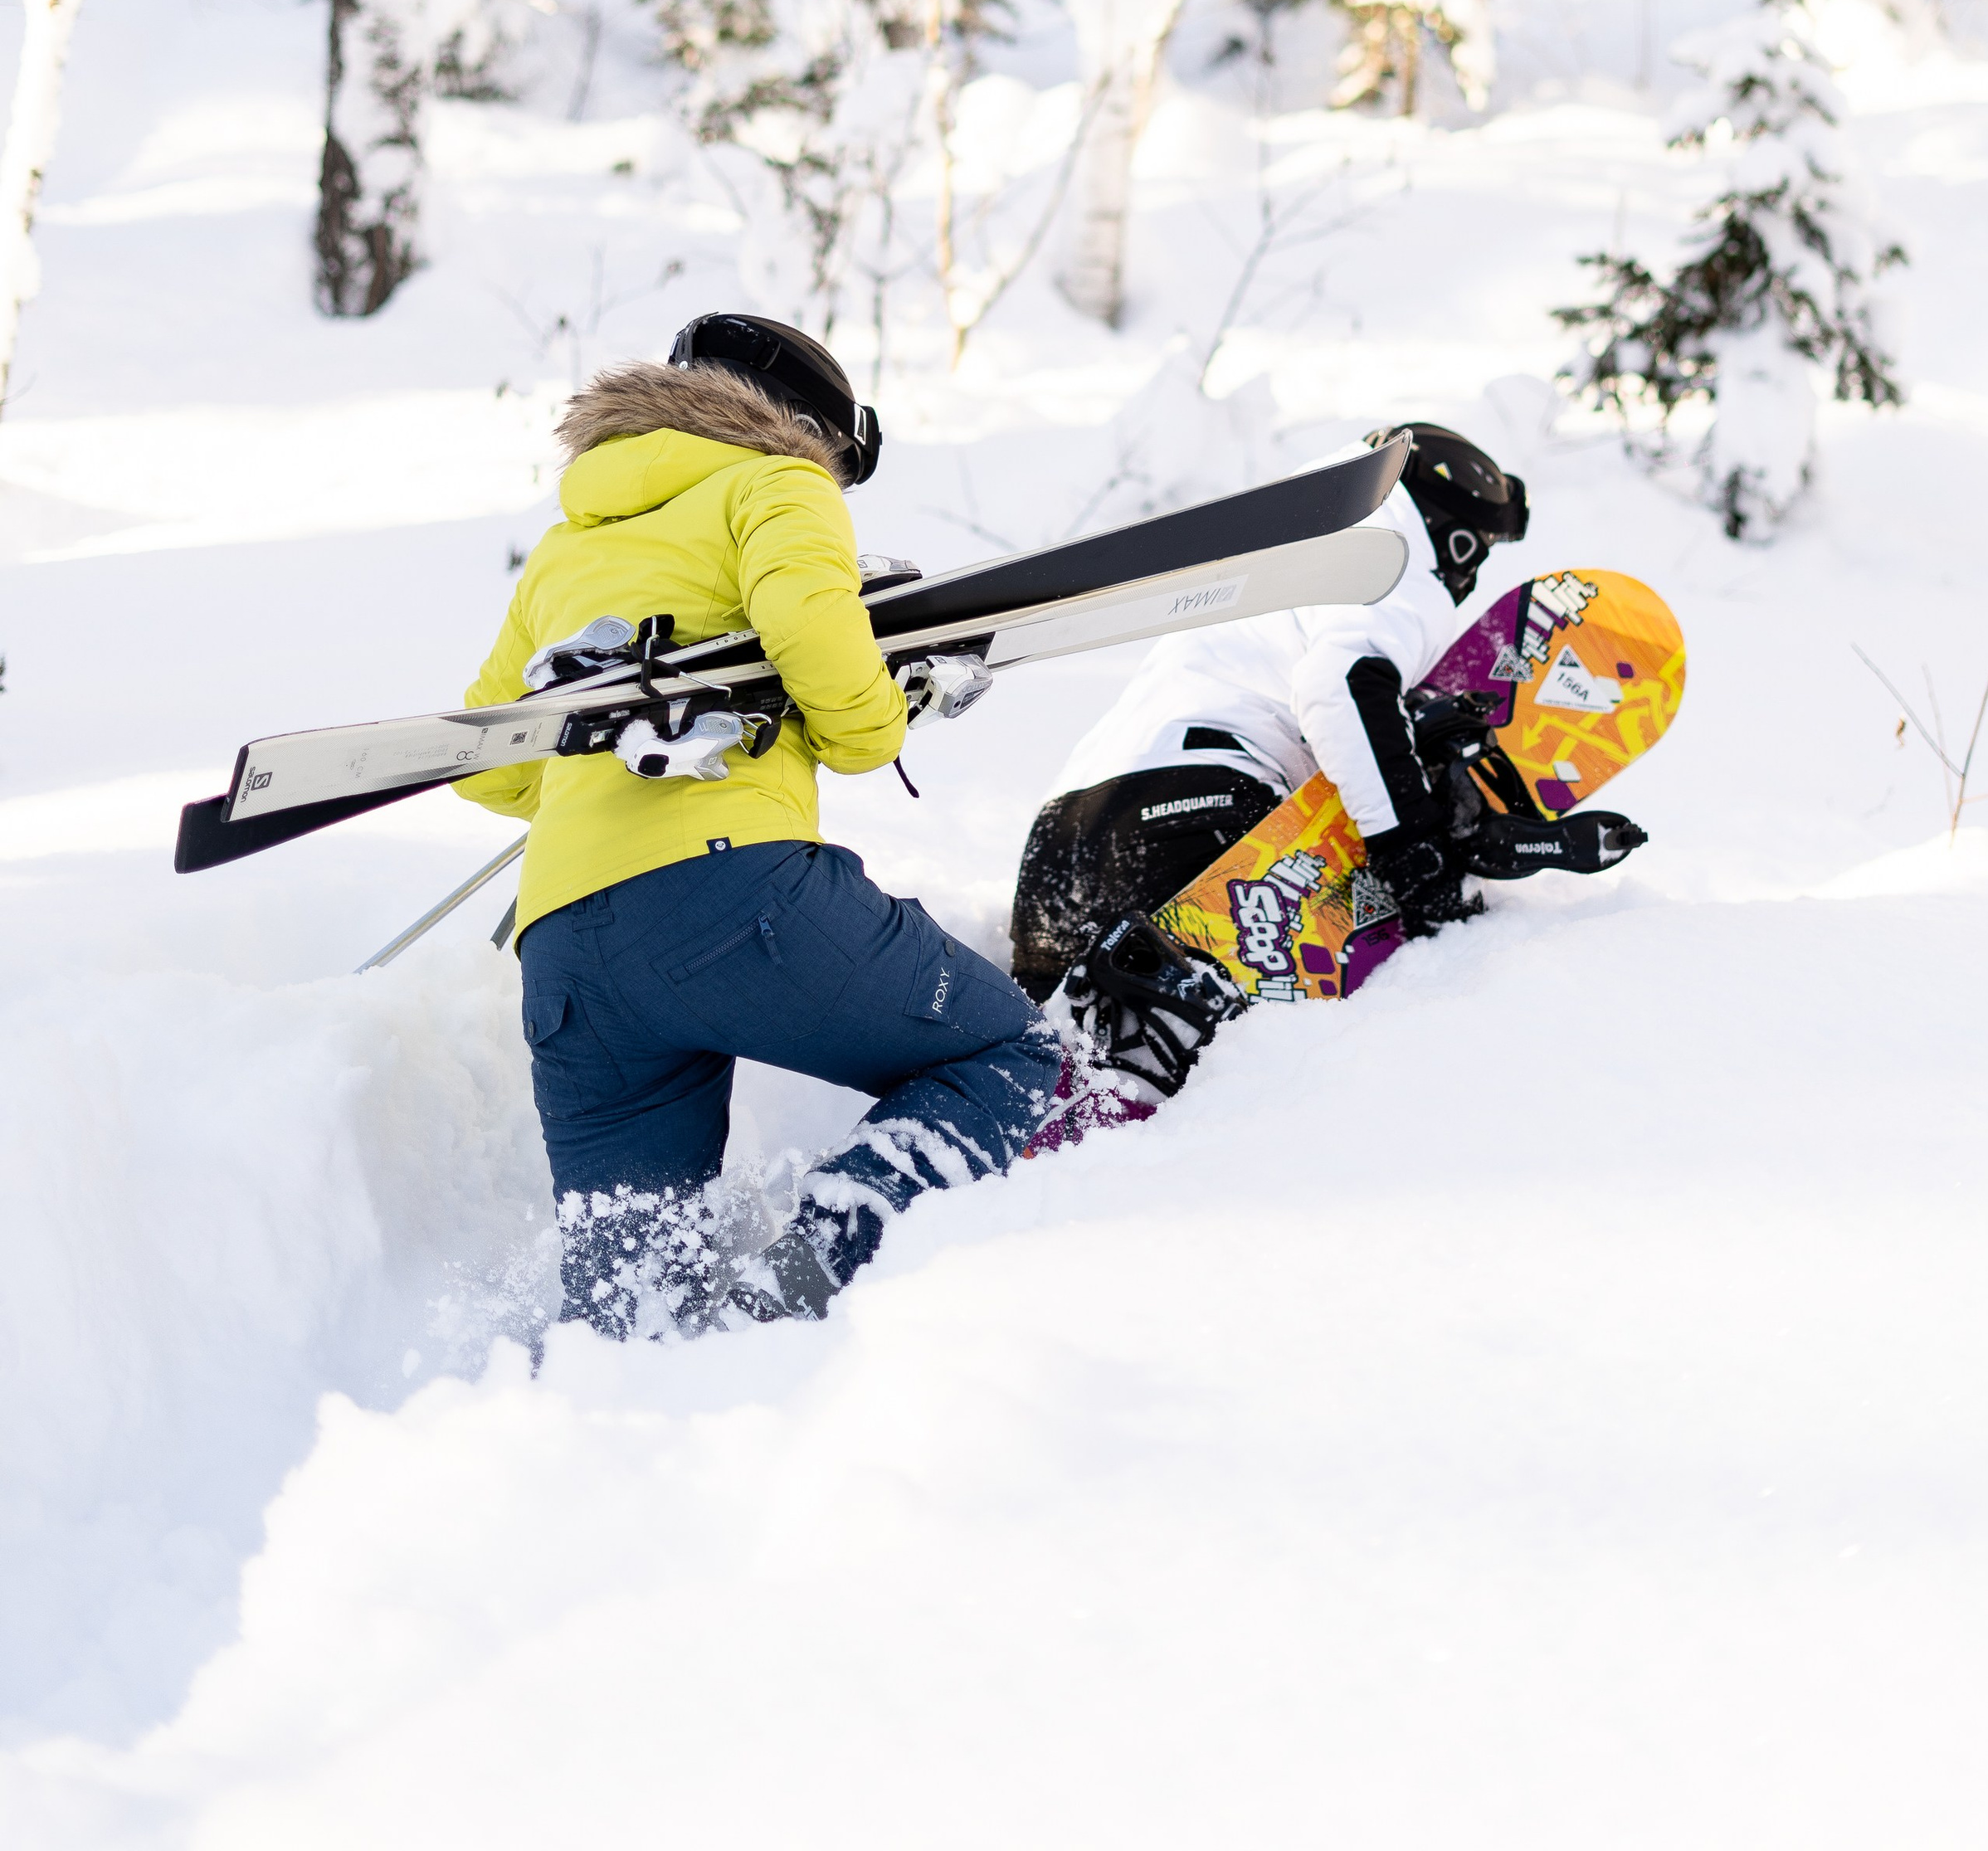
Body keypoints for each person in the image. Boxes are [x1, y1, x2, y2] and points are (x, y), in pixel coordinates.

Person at [458, 311, 1061, 1336]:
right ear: (798, 424)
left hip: (566, 951)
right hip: (733, 898)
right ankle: (804, 1279)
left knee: (632, 1294)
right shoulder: (779, 483)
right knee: (1009, 1060)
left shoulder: (570, 544)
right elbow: (816, 645)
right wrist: (879, 708)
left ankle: (611, 1417)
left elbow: (497, 765)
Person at [1010, 421, 1631, 1087]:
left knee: (1066, 1089)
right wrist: (1414, 851)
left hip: (1062, 850)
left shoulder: (1290, 555)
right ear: (1452, 530)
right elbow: (1344, 686)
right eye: (1480, 545)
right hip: (1198, 820)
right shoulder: (1390, 559)